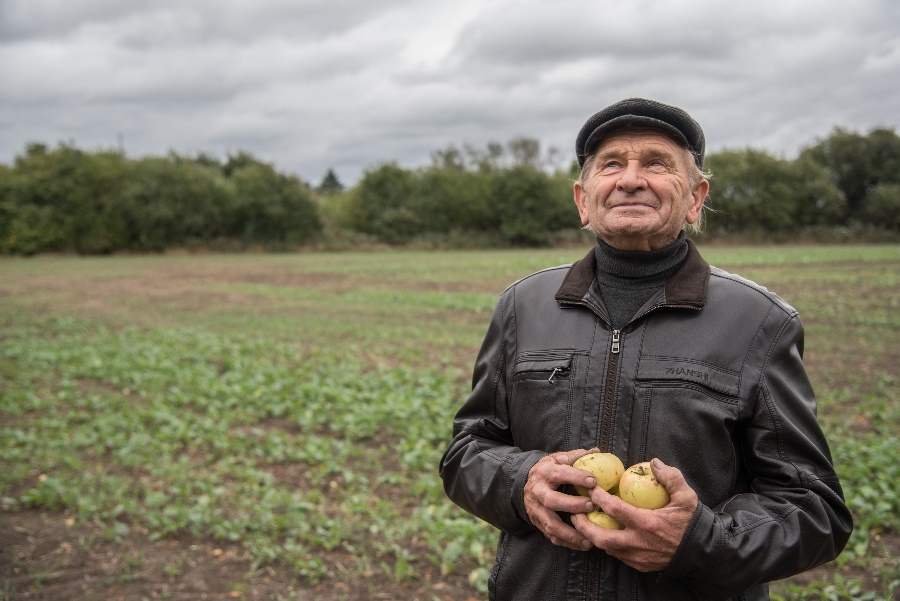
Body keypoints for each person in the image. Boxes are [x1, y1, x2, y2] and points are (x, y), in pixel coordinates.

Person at [439, 98, 852, 601]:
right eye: (612, 164)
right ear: (583, 200)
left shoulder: (759, 321)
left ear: (696, 198)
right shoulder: (522, 306)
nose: (630, 179)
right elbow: (466, 452)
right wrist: (522, 482)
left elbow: (814, 508)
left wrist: (700, 541)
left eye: (656, 163)